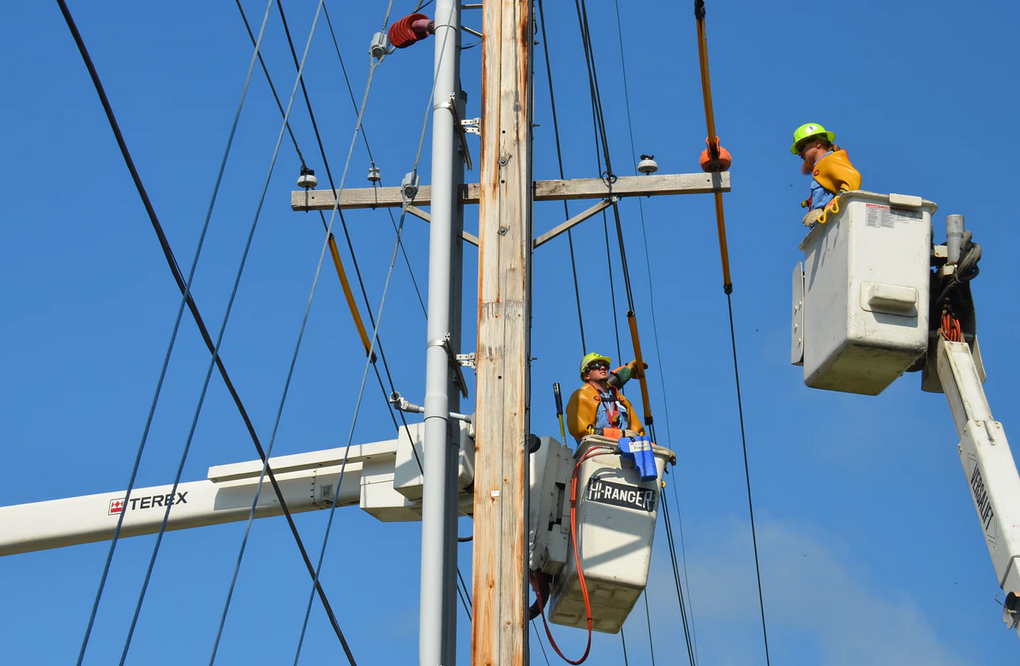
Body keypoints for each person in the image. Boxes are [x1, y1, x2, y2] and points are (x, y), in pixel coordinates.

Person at [791, 123, 862, 227]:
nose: (799, 153)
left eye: (801, 147)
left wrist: (828, 208)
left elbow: (853, 178)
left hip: (833, 225)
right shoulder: (822, 164)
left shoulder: (829, 160)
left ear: (818, 143)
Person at [566, 352, 646, 443]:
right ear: (586, 375)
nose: (602, 367)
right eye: (596, 366)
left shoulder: (621, 400)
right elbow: (581, 430)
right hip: (598, 450)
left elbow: (639, 433)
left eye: (605, 365)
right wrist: (618, 434)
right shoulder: (581, 396)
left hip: (626, 450)